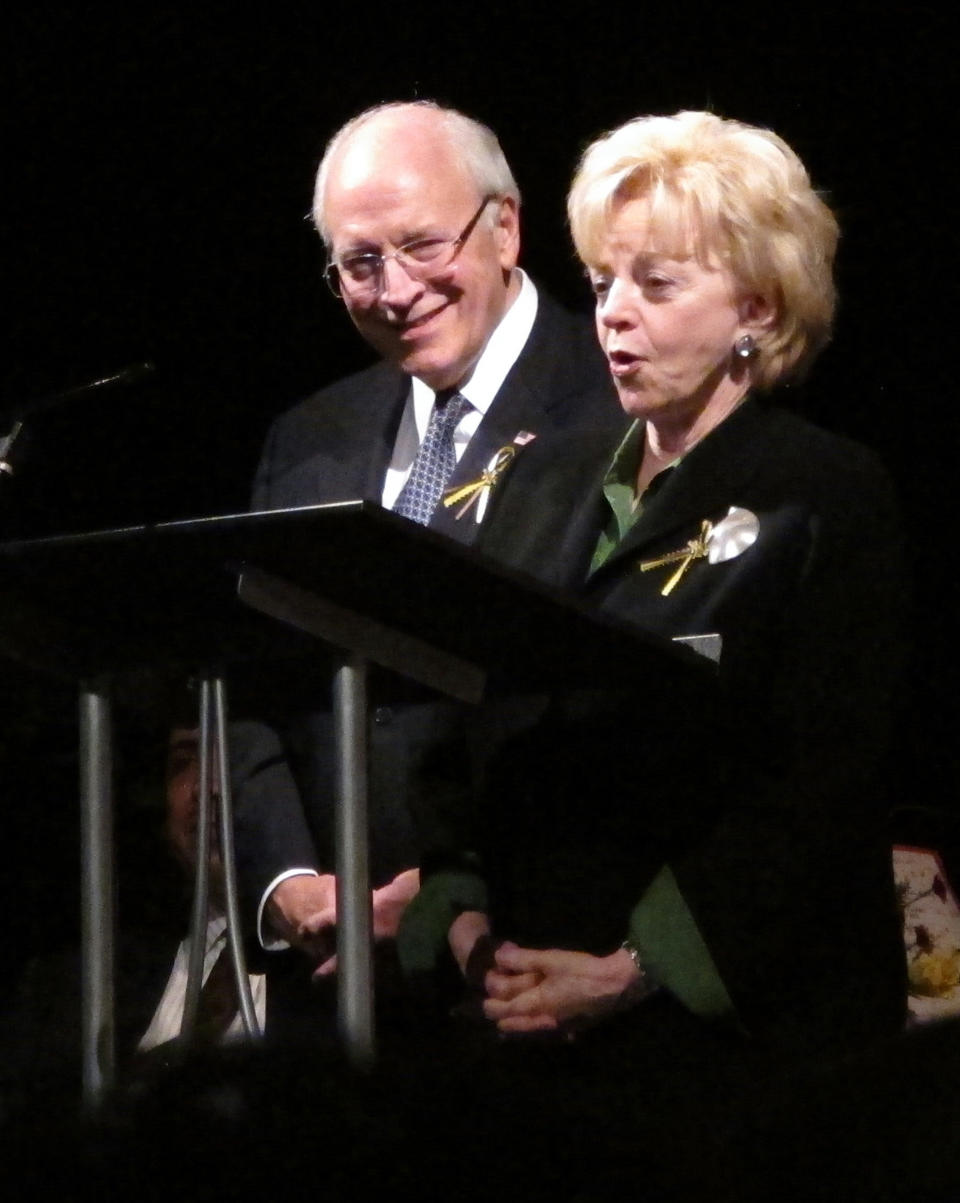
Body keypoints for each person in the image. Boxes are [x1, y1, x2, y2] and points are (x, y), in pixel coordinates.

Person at [409, 110, 907, 1056]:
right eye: (602, 283)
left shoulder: (825, 493)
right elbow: (457, 727)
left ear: (756, 308)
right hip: (517, 1020)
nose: (613, 312)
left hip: (736, 1053)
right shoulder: (540, 476)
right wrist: (464, 922)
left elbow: (816, 787)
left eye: (657, 284)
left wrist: (638, 967)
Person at [229, 101, 621, 978]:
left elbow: (605, 705)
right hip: (332, 981)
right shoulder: (308, 436)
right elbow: (252, 677)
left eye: (421, 245)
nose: (396, 289)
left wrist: (447, 886)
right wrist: (290, 880)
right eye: (361, 263)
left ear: (506, 228)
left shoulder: (617, 405)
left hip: (526, 954)